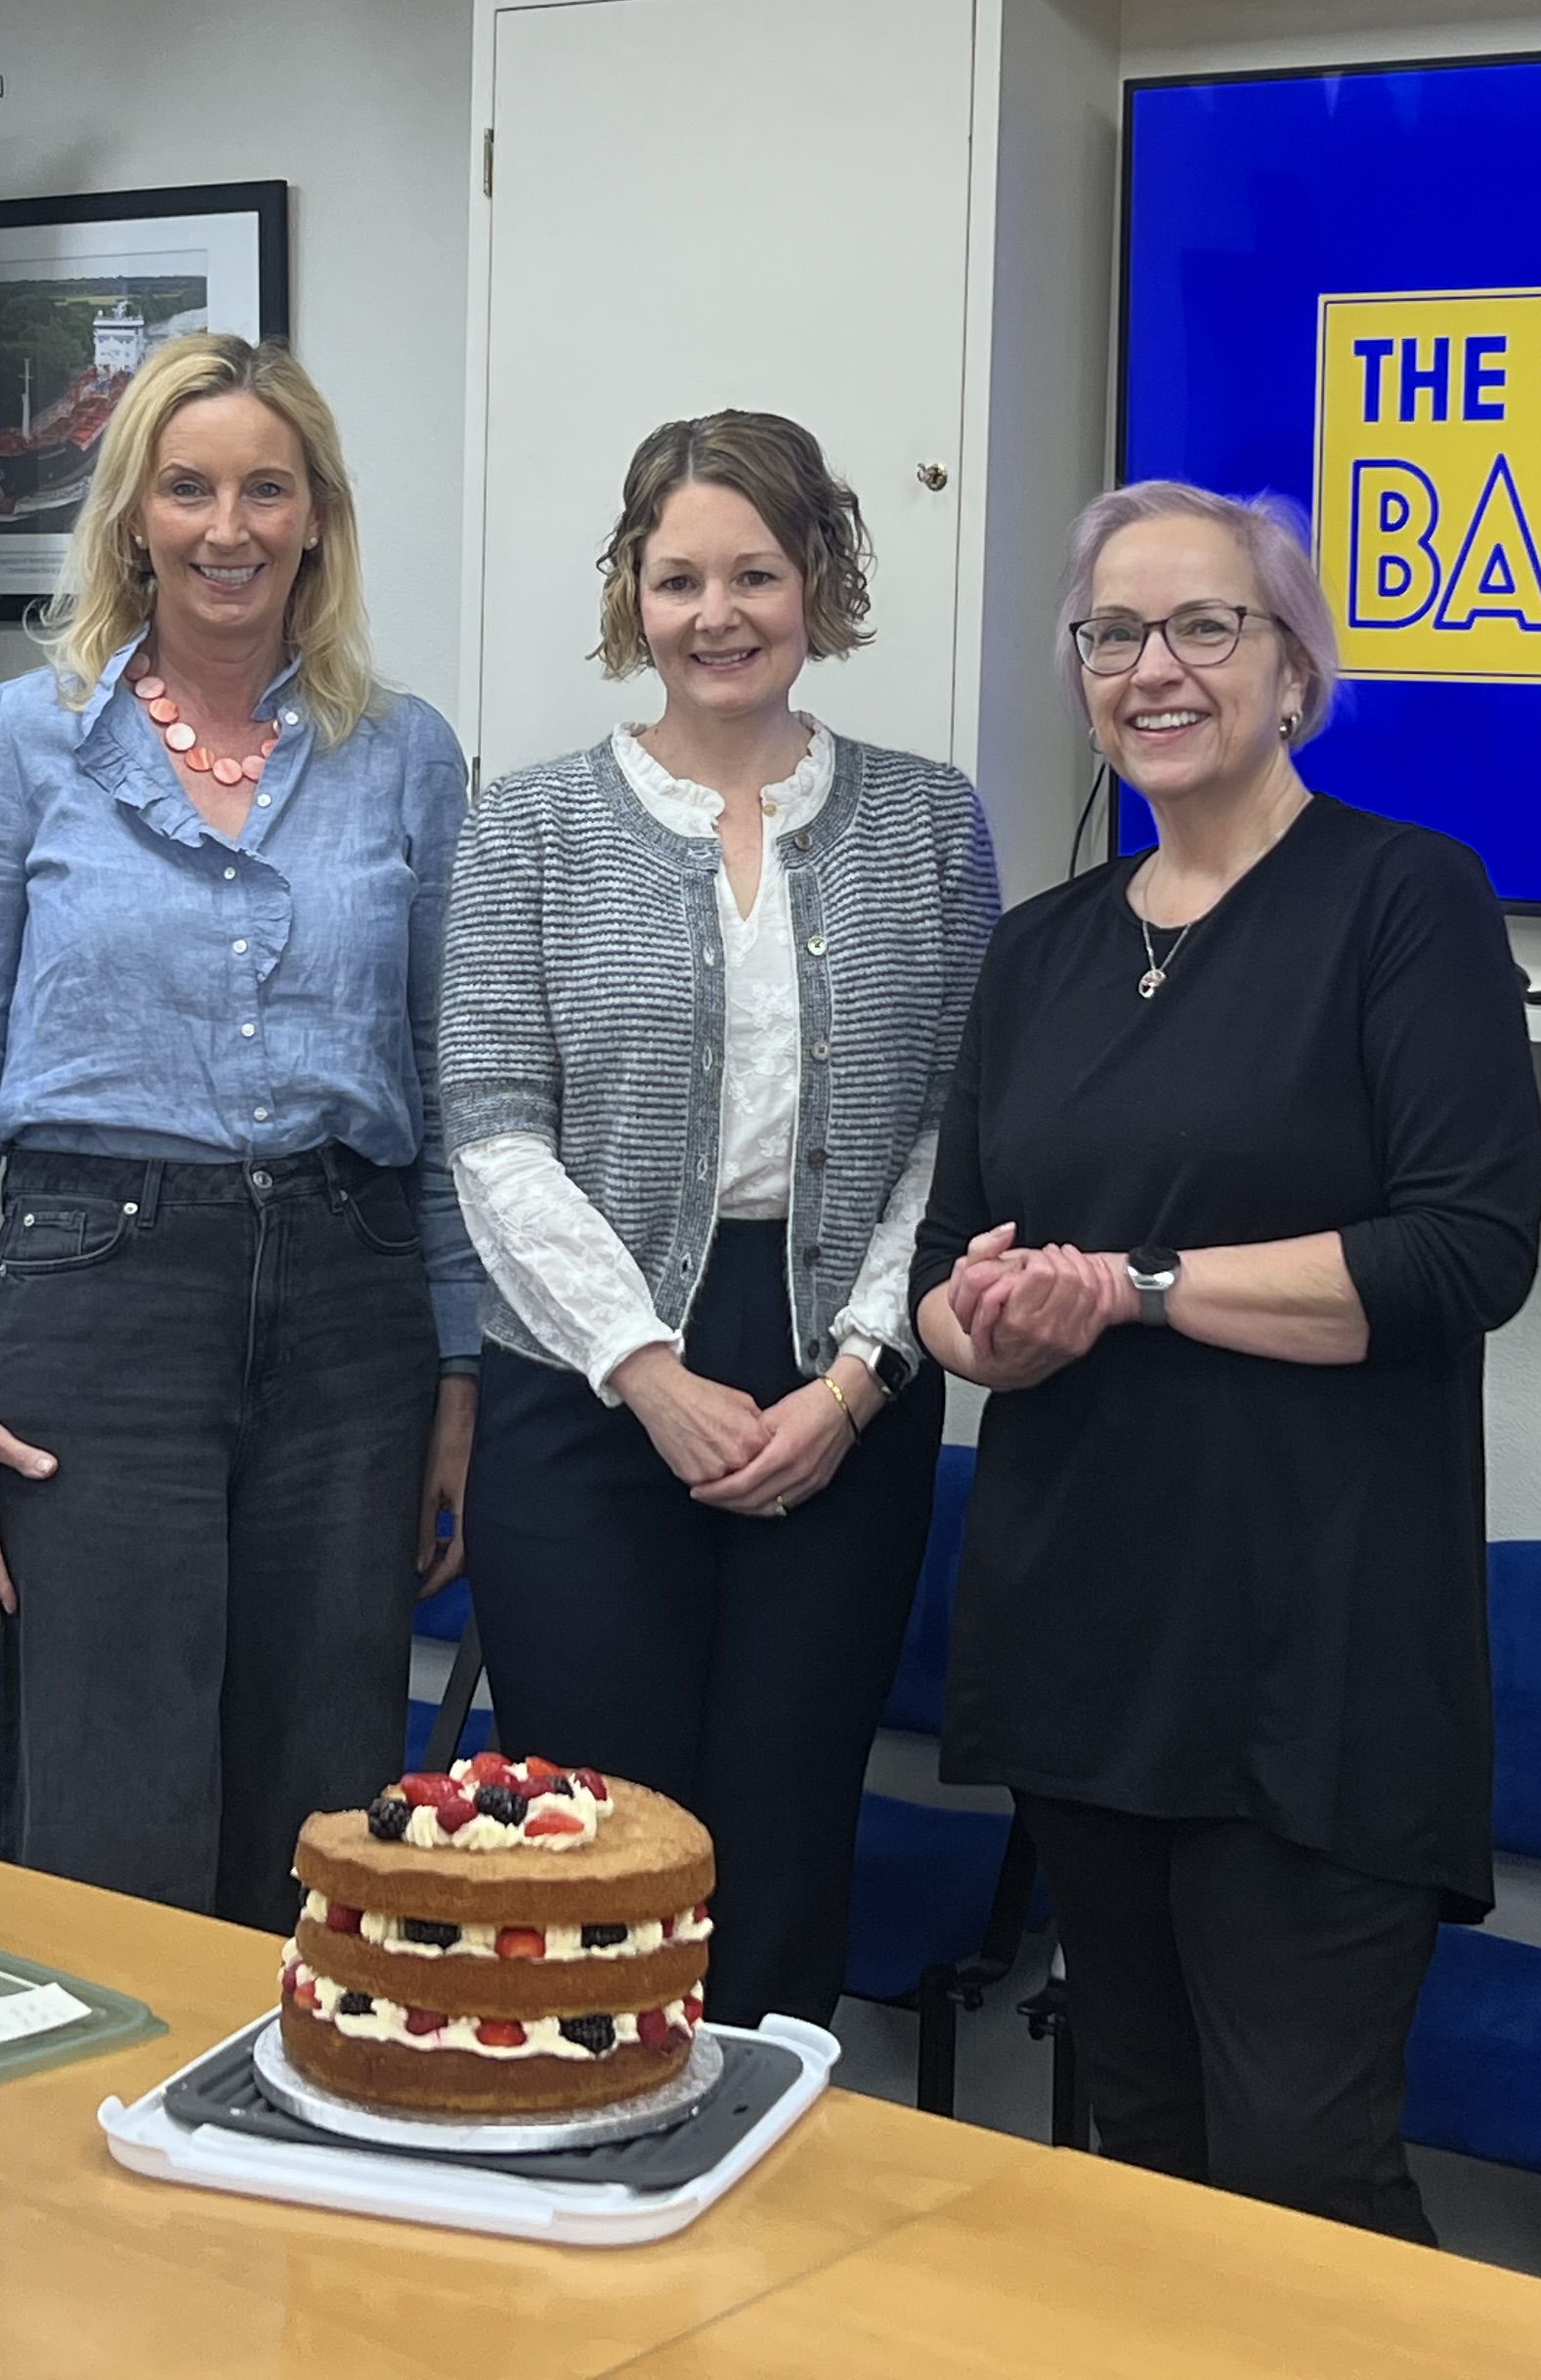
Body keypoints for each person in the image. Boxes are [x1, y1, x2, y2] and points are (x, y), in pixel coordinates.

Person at [911, 480, 1541, 2242]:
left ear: (1293, 673)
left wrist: (1131, 1286)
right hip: (1088, 1637)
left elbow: (1465, 1253)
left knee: (1301, 2174)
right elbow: (946, 1268)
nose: (1155, 668)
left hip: (1317, 1654)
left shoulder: (1404, 897)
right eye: (1113, 633)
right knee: (1152, 2154)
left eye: (1205, 625)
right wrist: (984, 1319)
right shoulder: (1038, 947)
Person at [0, 332, 480, 1932]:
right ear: (133, 514)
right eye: (188, 486)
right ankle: (96, 2097)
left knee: (323, 1805)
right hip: (99, 1293)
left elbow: (440, 1082)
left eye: (266, 488)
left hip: (353, 1306)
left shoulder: (405, 756)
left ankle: (296, 2093)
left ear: (316, 515)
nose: (229, 526)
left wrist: (460, 1369)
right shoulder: (7, 744)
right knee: (106, 1802)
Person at [444, 411, 996, 2028]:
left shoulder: (929, 822)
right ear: (632, 591)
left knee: (783, 1832)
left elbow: (957, 1127)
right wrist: (644, 1367)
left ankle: (759, 2158)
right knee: (595, 1843)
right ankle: (580, 2135)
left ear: (819, 575)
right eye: (677, 576)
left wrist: (859, 1378)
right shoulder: (528, 823)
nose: (717, 612)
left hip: (841, 1382)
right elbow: (491, 1126)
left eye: (755, 572)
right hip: (581, 1382)